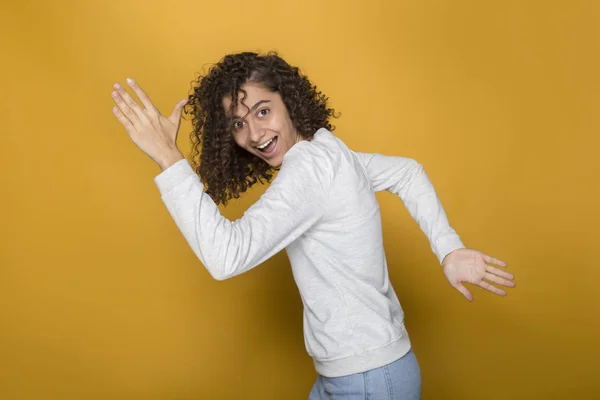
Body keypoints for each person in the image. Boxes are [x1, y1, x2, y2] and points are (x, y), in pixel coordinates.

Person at [110, 51, 516, 399]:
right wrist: (448, 247)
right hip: (357, 374)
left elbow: (225, 256)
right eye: (238, 123)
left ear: (289, 102)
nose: (254, 133)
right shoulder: (326, 151)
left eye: (263, 111)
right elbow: (407, 172)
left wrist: (168, 157)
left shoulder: (308, 171)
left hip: (368, 382)